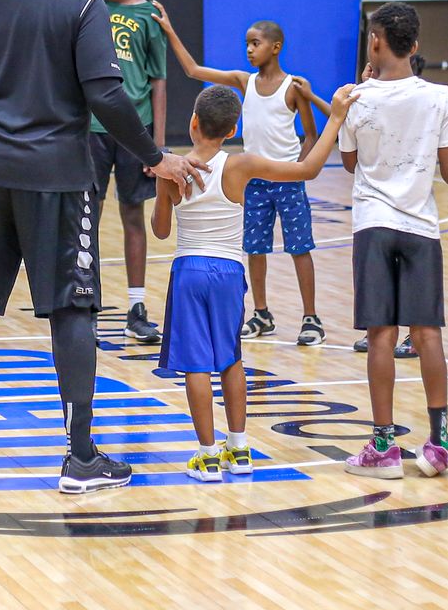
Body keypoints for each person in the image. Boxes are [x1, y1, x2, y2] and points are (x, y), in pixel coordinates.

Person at [0, 0, 205, 497]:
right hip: (56, 175)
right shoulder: (83, 4)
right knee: (71, 310)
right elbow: (108, 97)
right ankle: (79, 457)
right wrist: (156, 157)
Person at [340, 2, 448, 480]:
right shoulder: (439, 98)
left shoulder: (355, 98)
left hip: (373, 224)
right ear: (415, 47)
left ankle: (382, 447)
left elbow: (351, 165)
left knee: (380, 335)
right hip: (420, 227)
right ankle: (437, 442)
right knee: (427, 333)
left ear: (374, 43)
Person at [153, 83, 358, 481]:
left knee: (197, 364)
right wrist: (335, 117)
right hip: (229, 272)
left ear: (192, 122)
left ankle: (208, 456)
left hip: (189, 269)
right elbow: (308, 170)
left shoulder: (173, 168)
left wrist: (163, 189)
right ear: (233, 130)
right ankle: (241, 449)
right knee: (231, 358)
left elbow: (161, 231)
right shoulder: (240, 165)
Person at [153, 6, 327, 345]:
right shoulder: (242, 82)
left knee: (299, 247)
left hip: (287, 181)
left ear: (276, 47)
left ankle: (311, 317)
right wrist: (170, 30)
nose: (249, 49)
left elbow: (311, 134)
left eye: (256, 43)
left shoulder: (293, 87)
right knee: (255, 248)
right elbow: (192, 69)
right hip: (254, 182)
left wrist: (300, 169)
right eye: (246, 44)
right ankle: (261, 313)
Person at [88, 0, 169, 344]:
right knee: (86, 217)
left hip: (132, 130)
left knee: (132, 214)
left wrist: (154, 145)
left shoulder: (147, 15)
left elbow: (158, 82)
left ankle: (136, 307)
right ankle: (87, 304)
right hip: (91, 129)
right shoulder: (84, 8)